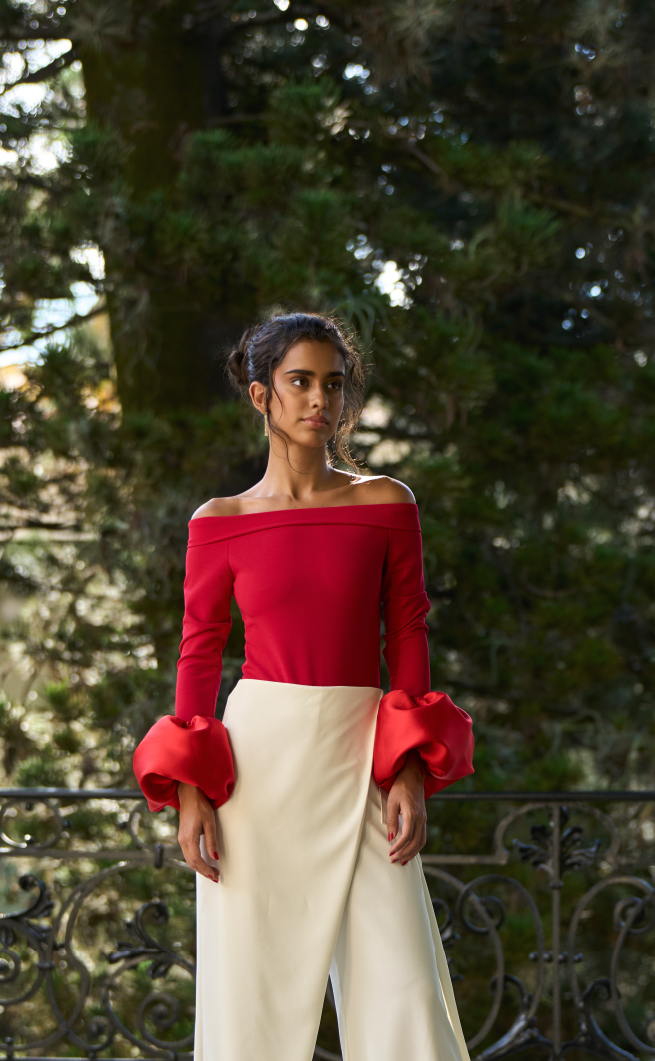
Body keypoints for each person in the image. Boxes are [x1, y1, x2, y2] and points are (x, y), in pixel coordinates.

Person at [133, 312, 475, 1061]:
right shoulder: (218, 522)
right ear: (261, 395)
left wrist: (408, 769)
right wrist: (191, 792)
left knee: (403, 983)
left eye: (332, 382)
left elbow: (408, 634)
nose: (320, 398)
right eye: (299, 382)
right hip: (256, 763)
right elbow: (198, 657)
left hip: (360, 754)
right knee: (248, 989)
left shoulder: (386, 504)